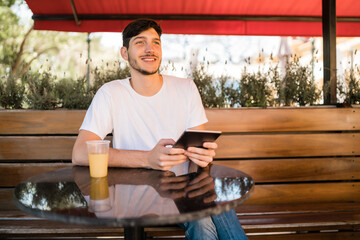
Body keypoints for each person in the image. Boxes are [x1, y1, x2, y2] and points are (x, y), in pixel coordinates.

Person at [72, 19, 247, 240]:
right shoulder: (111, 93)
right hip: (135, 195)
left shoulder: (186, 88)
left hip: (185, 192)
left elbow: (198, 153)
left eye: (156, 42)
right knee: (208, 219)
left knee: (211, 215)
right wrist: (148, 158)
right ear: (124, 53)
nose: (150, 49)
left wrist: (202, 156)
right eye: (140, 42)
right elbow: (79, 153)